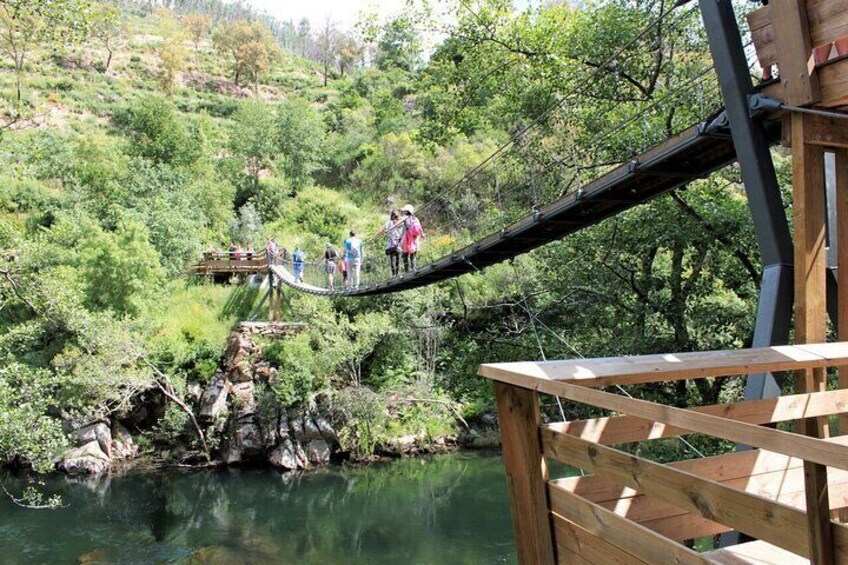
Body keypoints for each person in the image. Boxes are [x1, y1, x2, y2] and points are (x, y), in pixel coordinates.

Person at [377, 209, 403, 277]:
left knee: (392, 259)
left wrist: (379, 234)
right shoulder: (400, 222)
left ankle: (394, 274)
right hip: (398, 243)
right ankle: (397, 274)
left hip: (391, 244)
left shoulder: (388, 222)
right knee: (397, 259)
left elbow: (382, 230)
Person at [400, 204, 425, 272]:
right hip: (414, 239)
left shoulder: (404, 218)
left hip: (407, 239)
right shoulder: (415, 219)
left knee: (405, 255)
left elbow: (399, 226)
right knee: (413, 255)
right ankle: (414, 269)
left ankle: (407, 271)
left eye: (404, 211)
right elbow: (420, 228)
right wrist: (423, 235)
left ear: (406, 211)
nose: (403, 212)